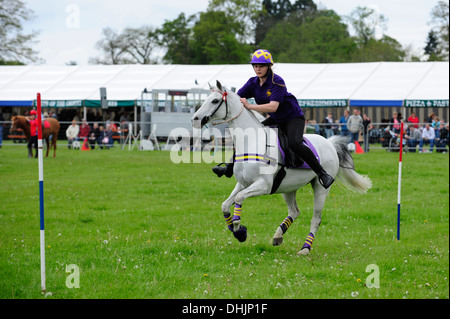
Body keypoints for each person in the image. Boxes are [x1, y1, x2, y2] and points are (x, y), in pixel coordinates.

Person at [212, 49, 334, 189]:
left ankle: (322, 173)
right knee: (250, 135)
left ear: (269, 66)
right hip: (276, 118)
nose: (258, 69)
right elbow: (238, 98)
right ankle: (229, 167)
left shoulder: (277, 81)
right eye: (255, 66)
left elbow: (273, 107)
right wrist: (225, 98)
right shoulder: (252, 82)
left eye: (261, 66)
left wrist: (250, 106)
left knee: (294, 143)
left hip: (292, 118)